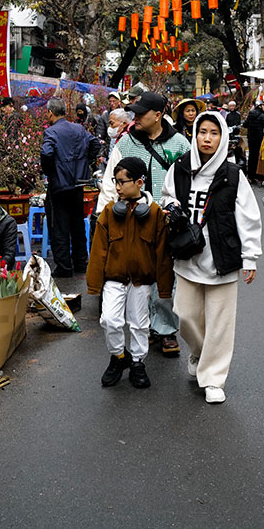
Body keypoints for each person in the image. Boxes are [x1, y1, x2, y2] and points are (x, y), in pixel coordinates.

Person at [161, 112, 261, 404]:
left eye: (214, 133)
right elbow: (167, 195)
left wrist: (250, 257)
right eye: (202, 132)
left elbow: (249, 218)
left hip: (222, 258)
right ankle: (200, 352)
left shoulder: (233, 175)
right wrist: (171, 205)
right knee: (184, 315)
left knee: (220, 323)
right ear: (194, 134)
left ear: (223, 138)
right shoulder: (180, 168)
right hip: (186, 256)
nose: (207, 138)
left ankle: (214, 379)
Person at [97, 91, 190, 357]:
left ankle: (166, 329)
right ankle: (146, 326)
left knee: (165, 276)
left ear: (158, 115)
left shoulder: (180, 144)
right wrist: (104, 216)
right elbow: (109, 181)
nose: (135, 117)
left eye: (141, 113)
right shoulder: (126, 144)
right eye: (134, 113)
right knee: (138, 277)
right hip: (130, 223)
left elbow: (188, 184)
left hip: (166, 222)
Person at [86, 157, 172, 389]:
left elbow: (163, 255)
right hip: (114, 280)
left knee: (138, 324)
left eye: (122, 182)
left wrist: (164, 288)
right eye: (116, 181)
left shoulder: (154, 214)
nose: (117, 187)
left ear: (140, 182)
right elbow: (98, 251)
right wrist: (94, 284)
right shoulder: (109, 212)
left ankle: (137, 363)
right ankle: (119, 357)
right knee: (109, 320)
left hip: (141, 282)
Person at [40, 98, 100, 277]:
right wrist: (84, 163)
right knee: (77, 224)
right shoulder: (79, 129)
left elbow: (46, 153)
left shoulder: (51, 131)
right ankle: (81, 263)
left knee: (59, 227)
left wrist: (50, 171)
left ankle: (64, 267)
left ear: (51, 112)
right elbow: (95, 144)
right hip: (78, 184)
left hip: (59, 185)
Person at [242, 101, 264, 180]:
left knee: (251, 157)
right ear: (260, 106)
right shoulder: (262, 116)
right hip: (260, 139)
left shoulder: (251, 114)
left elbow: (245, 124)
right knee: (259, 157)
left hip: (251, 138)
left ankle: (251, 176)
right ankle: (259, 176)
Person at [223, 99, 244, 164]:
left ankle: (239, 159)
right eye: (230, 106)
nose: (232, 107)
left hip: (236, 133)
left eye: (233, 106)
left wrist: (238, 128)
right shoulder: (227, 115)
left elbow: (240, 123)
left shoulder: (238, 114)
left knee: (238, 147)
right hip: (229, 134)